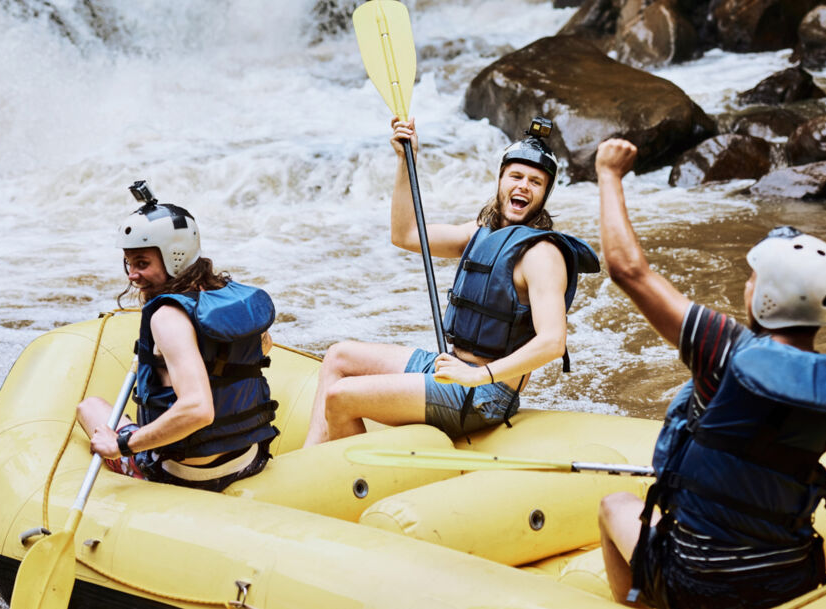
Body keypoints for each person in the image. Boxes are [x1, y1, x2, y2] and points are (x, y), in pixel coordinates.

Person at [594, 138, 826, 608]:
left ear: (766, 297)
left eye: (752, 279)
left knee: (615, 506)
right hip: (789, 585)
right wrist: (825, 486)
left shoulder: (722, 347)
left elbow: (628, 270)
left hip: (694, 583)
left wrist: (608, 175)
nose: (746, 285)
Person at [301, 116, 599, 446]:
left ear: (543, 195)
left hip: (484, 392)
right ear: (500, 180)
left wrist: (477, 375)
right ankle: (308, 461)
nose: (523, 186)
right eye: (516, 176)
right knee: (338, 357)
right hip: (450, 367)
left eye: (535, 182)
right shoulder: (480, 233)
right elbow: (406, 234)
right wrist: (406, 161)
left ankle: (345, 488)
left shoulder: (541, 254)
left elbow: (553, 342)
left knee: (341, 396)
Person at [78, 181, 279, 492]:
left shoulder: (167, 318)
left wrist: (123, 445)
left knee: (89, 408)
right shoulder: (227, 296)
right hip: (249, 456)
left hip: (187, 472)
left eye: (142, 263)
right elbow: (263, 345)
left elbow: (199, 409)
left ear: (174, 257)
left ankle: (136, 466)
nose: (132, 275)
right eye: (129, 263)